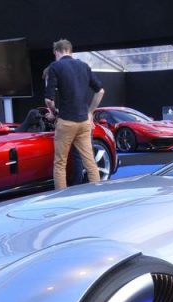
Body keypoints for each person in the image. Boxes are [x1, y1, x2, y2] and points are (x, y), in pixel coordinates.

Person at [45, 38, 104, 190]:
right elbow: (100, 91)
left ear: (56, 52)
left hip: (66, 122)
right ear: (70, 51)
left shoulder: (55, 67)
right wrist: (90, 112)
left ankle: (62, 197)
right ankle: (98, 193)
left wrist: (54, 113)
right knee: (90, 162)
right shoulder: (84, 66)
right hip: (84, 122)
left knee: (60, 164)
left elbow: (49, 100)